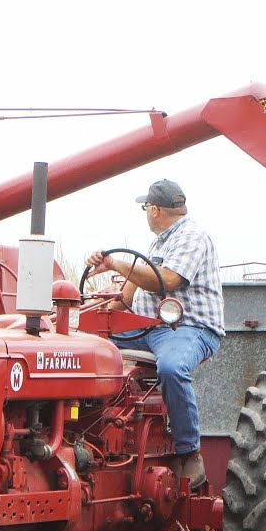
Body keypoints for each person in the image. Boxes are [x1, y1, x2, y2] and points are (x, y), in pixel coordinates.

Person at [85, 179, 224, 490]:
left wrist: (117, 264)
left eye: (145, 207)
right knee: (88, 350)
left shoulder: (192, 237)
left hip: (188, 327)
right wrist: (95, 307)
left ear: (156, 210)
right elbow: (127, 296)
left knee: (172, 369)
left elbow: (168, 281)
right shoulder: (159, 242)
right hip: (148, 328)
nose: (145, 213)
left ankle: (189, 453)